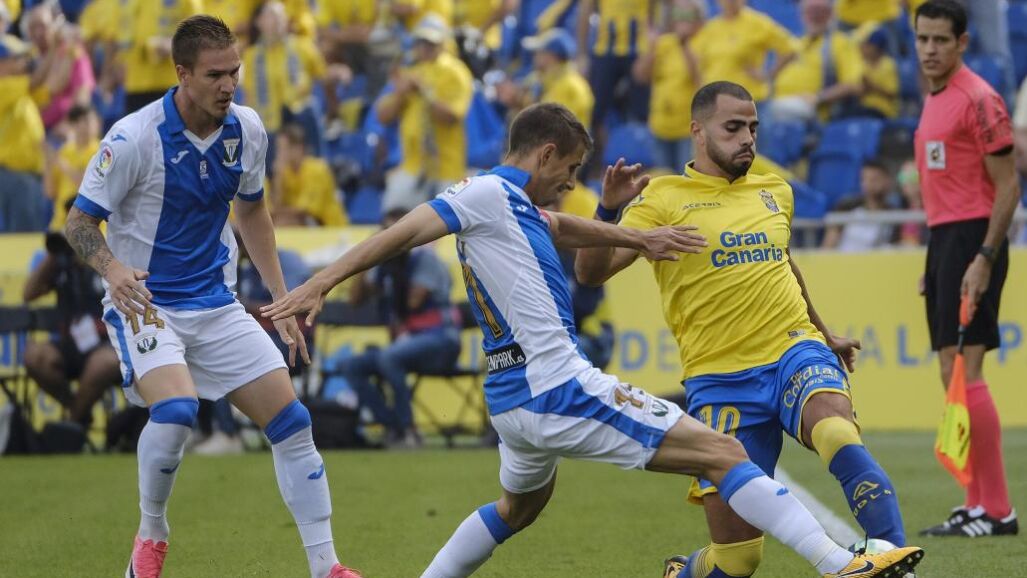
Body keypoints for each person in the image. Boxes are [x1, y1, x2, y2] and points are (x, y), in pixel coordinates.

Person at [262, 102, 925, 578]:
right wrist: (320, 282)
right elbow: (404, 232)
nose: (571, 184)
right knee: (723, 453)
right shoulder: (485, 194)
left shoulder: (512, 203)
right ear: (545, 153)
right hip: (556, 386)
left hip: (512, 398)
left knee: (517, 508)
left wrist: (637, 235)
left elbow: (566, 227)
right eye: (570, 169)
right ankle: (839, 565)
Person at [575, 82, 912, 578]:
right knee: (738, 560)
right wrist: (608, 210)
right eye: (733, 128)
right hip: (719, 378)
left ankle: (895, 559)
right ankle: (683, 572)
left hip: (793, 349)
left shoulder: (775, 190)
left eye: (753, 127)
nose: (747, 138)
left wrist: (825, 333)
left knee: (836, 429)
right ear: (697, 131)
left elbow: (782, 265)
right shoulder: (662, 197)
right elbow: (589, 273)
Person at [63, 15, 359, 578]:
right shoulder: (133, 138)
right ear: (182, 74)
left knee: (294, 422)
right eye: (215, 75)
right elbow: (78, 223)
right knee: (177, 411)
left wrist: (281, 298)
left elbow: (252, 211)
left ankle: (327, 567)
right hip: (147, 305)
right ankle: (151, 536)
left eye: (234, 72)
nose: (228, 85)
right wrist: (112, 268)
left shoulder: (247, 129)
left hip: (216, 304)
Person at [913, 0, 1020, 537]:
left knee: (967, 370)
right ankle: (976, 504)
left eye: (940, 40)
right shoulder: (934, 97)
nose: (930, 49)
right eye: (922, 39)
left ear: (962, 43)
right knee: (949, 369)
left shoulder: (979, 98)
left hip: (973, 238)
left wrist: (983, 257)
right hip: (945, 240)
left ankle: (997, 510)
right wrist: (936, 262)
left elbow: (1009, 186)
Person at [339, 207, 460, 449]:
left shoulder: (424, 259)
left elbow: (411, 302)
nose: (392, 237)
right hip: (402, 348)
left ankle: (408, 430)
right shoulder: (384, 266)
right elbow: (355, 300)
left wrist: (392, 260)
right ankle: (393, 425)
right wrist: (366, 258)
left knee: (389, 358)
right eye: (387, 233)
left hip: (441, 342)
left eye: (396, 231)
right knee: (351, 366)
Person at [23, 227, 120, 430]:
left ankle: (72, 423)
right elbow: (29, 293)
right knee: (35, 356)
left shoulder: (108, 255)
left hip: (108, 342)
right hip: (69, 343)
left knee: (104, 363)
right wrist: (53, 253)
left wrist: (88, 257)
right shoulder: (61, 264)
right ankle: (78, 411)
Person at [375, 15, 473, 211]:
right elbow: (383, 116)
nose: (424, 47)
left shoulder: (455, 71)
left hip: (445, 167)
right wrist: (401, 94)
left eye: (430, 43)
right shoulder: (410, 71)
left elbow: (452, 116)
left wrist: (424, 92)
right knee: (394, 214)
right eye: (420, 42)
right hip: (412, 166)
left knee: (447, 219)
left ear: (443, 43)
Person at [633, 0, 704, 173]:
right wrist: (651, 50)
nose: (682, 20)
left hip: (688, 129)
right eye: (678, 15)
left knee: (687, 178)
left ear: (698, 19)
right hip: (660, 126)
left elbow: (699, 80)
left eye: (687, 15)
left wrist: (684, 44)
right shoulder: (663, 43)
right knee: (664, 179)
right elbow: (640, 76)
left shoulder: (703, 42)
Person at [769, 0, 864, 123]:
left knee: (762, 113)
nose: (814, 16)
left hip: (811, 109)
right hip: (777, 101)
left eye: (820, 11)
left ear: (831, 15)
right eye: (810, 11)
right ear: (802, 15)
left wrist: (818, 97)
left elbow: (854, 85)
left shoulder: (841, 43)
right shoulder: (795, 43)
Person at [0, 31, 47, 232]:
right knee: (22, 237)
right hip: (13, 175)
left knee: (28, 236)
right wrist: (54, 48)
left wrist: (68, 52)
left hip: (28, 176)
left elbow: (53, 84)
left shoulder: (19, 92)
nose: (24, 61)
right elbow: (39, 79)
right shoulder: (4, 87)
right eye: (17, 57)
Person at [271, 123, 348, 227]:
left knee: (285, 222)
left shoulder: (317, 169)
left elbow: (304, 212)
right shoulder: (285, 172)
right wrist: (278, 177)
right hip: (306, 223)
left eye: (283, 148)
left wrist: (277, 213)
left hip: (329, 226)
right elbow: (275, 206)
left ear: (298, 148)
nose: (280, 154)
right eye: (278, 149)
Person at [821, 159, 899, 251]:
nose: (868, 184)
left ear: (887, 181)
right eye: (864, 179)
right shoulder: (846, 206)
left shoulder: (895, 215)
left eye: (874, 179)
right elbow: (828, 246)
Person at [47, 104, 101, 231]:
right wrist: (48, 162)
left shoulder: (102, 151)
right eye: (83, 121)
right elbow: (50, 192)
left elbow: (88, 186)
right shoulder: (64, 151)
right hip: (60, 224)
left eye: (89, 120)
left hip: (90, 226)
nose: (88, 125)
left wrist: (64, 166)